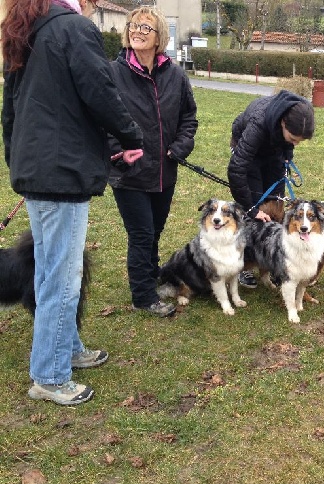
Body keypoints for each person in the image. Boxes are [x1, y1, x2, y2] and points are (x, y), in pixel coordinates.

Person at [2, 0, 144, 405]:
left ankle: (66, 347)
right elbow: (101, 91)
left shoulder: (27, 30)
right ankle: (48, 375)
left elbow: (9, 111)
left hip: (39, 171)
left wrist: (18, 163)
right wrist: (133, 137)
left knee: (52, 270)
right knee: (62, 279)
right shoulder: (73, 29)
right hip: (60, 173)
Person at [108, 6, 198, 316]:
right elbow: (100, 119)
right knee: (142, 233)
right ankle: (143, 296)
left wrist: (180, 146)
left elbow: (189, 117)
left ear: (159, 36)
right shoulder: (114, 73)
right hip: (129, 172)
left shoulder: (174, 74)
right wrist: (117, 152)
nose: (137, 31)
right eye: (134, 26)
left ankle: (148, 276)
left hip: (164, 170)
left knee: (155, 230)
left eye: (146, 28)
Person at [227, 90, 315, 288]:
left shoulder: (299, 114)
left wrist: (287, 155)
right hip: (249, 152)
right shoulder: (258, 123)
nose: (295, 143)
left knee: (275, 205)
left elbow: (289, 143)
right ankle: (245, 265)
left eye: (299, 142)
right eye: (293, 138)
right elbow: (236, 169)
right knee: (256, 206)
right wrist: (251, 208)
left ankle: (274, 260)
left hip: (274, 149)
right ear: (283, 122)